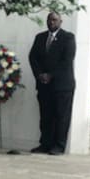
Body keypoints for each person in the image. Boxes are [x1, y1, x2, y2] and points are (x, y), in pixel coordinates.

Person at [28, 12, 76, 155]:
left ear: (61, 21)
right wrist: (39, 75)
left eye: (54, 20)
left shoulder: (68, 38)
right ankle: (45, 144)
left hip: (62, 86)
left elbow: (67, 60)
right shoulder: (40, 37)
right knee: (46, 116)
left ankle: (59, 146)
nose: (51, 22)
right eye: (49, 20)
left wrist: (51, 75)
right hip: (44, 85)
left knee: (61, 116)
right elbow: (32, 58)